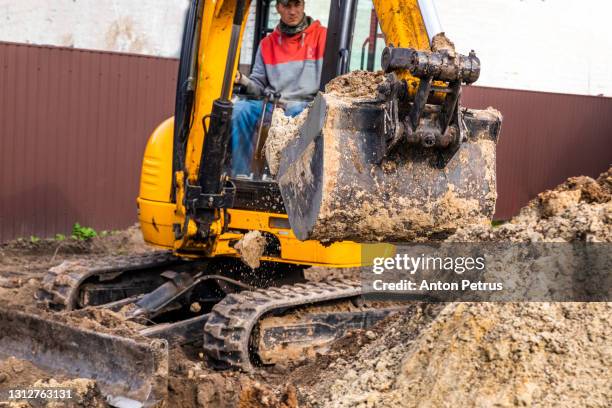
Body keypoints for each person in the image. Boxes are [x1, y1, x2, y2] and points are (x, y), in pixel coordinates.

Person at [232, 0, 327, 176]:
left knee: (297, 113)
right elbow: (258, 86)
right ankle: (240, 175)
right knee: (239, 110)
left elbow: (332, 79)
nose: (292, 11)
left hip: (307, 104)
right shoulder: (267, 44)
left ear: (303, 5)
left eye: (296, 5)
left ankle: (286, 179)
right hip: (273, 104)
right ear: (278, 8)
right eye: (286, 6)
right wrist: (242, 81)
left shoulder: (322, 37)